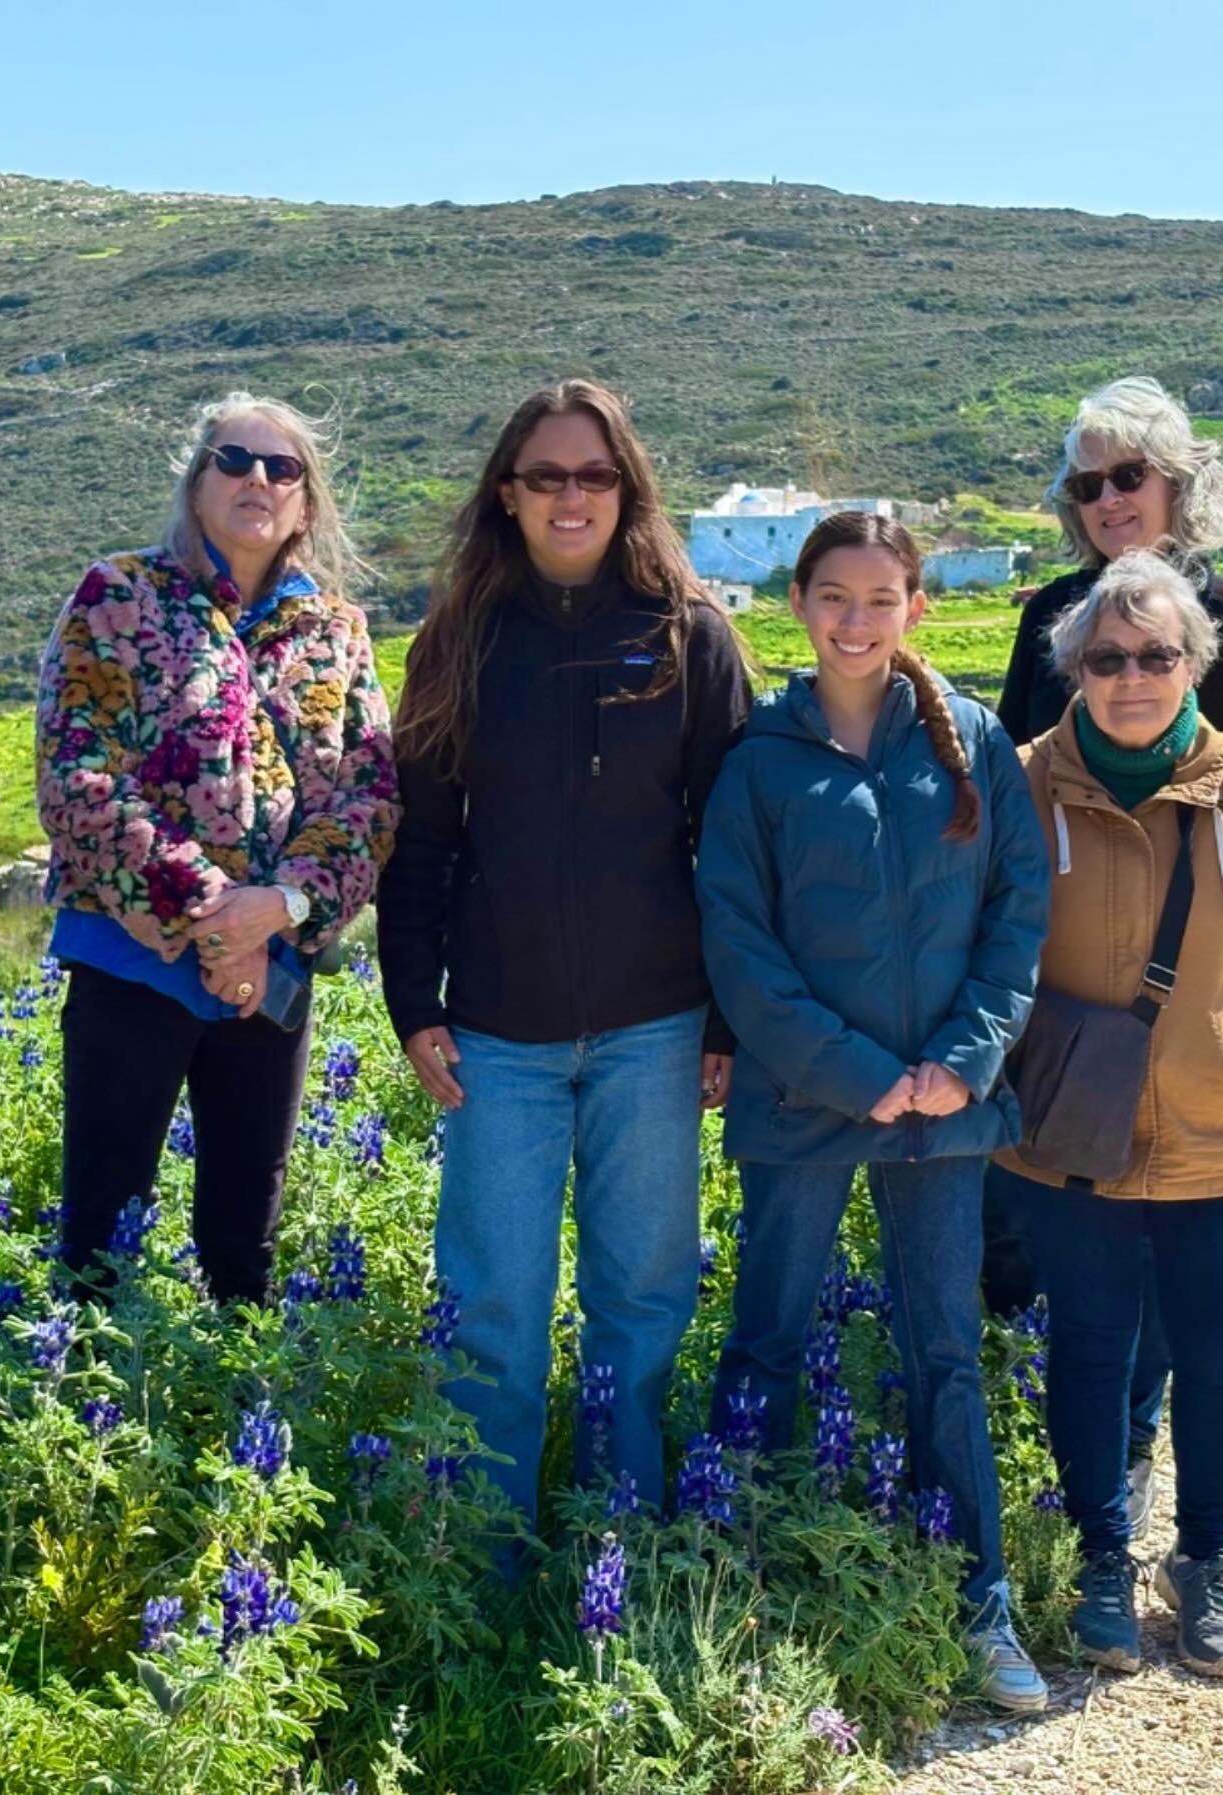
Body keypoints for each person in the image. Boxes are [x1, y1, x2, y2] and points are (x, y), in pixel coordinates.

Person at [697, 511, 1052, 1712]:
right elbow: (738, 948)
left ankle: (978, 1600)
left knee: (943, 1349)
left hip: (947, 1103)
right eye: (833, 597)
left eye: (880, 598)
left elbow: (1016, 916)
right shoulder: (758, 760)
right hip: (807, 1094)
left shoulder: (975, 741)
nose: (856, 621)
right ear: (795, 603)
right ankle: (737, 1586)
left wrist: (960, 1062)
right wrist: (860, 1071)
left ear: (914, 605)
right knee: (767, 1337)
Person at [378, 379, 751, 1523]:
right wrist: (411, 1001)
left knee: (641, 1296)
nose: (571, 496)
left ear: (626, 489)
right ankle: (485, 1564)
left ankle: (615, 1538)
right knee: (492, 1302)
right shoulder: (459, 640)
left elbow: (730, 845)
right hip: (497, 1033)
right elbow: (422, 838)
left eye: (595, 474)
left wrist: (726, 1021)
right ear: (508, 493)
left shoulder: (689, 634)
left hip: (655, 1026)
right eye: (547, 476)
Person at [988, 375, 1223, 1534]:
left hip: (1199, 1038)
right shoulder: (1047, 620)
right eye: (1085, 483)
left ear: (1179, 483)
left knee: (1197, 1320)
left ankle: (1185, 1525)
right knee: (1082, 1297)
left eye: (1127, 475)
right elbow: (999, 815)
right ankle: (1103, 1499)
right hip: (1073, 1054)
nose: (1107, 500)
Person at [36, 393, 400, 1304]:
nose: (258, 481)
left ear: (306, 503)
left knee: (245, 1243)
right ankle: (88, 1418)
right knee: (98, 1236)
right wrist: (209, 918)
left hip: (271, 971)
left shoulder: (337, 632)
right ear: (197, 482)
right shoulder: (118, 595)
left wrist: (276, 909)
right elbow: (77, 775)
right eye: (234, 460)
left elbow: (369, 796)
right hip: (134, 961)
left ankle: (238, 1426)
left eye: (284, 469)